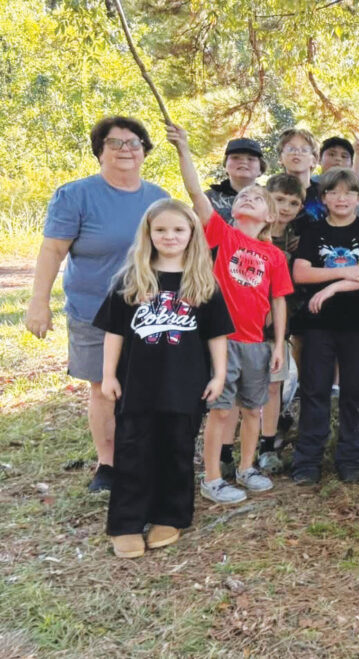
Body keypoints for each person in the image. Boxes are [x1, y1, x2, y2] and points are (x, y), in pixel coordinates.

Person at [25, 116, 170, 492]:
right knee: (105, 388)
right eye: (116, 143)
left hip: (148, 313)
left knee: (145, 384)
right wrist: (39, 302)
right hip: (93, 311)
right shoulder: (75, 195)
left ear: (145, 151)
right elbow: (53, 250)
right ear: (99, 151)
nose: (126, 149)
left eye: (135, 142)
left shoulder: (159, 198)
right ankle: (108, 465)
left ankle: (144, 455)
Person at [94, 199, 233, 558]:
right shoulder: (131, 279)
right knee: (133, 449)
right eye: (161, 230)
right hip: (137, 384)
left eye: (178, 229)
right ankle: (126, 522)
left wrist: (219, 374)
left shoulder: (202, 282)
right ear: (148, 234)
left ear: (192, 235)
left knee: (176, 450)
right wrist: (108, 374)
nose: (169, 236)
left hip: (185, 385)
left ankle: (169, 516)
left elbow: (217, 335)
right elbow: (114, 333)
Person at [169, 123, 294, 504]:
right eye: (244, 198)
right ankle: (211, 478)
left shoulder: (274, 255)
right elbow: (194, 192)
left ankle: (247, 467)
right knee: (221, 413)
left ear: (270, 218)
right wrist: (184, 150)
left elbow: (279, 301)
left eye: (257, 200)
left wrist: (277, 344)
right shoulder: (222, 234)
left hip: (257, 344)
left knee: (253, 410)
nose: (246, 200)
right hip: (222, 342)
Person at [290, 168, 359, 484]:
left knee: (353, 390)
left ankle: (352, 457)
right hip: (319, 324)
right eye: (334, 192)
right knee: (315, 389)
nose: (341, 198)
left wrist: (330, 287)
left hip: (357, 324)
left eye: (348, 193)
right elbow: (301, 274)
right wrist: (345, 274)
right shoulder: (314, 232)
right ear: (324, 198)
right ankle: (307, 461)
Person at [257, 174, 306, 471]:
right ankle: (228, 451)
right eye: (279, 200)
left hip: (279, 322)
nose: (285, 207)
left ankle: (269, 443)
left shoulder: (299, 238)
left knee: (275, 386)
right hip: (244, 322)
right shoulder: (248, 232)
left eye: (293, 202)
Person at [206, 137, 266, 223]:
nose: (243, 162)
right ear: (225, 166)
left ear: (261, 169)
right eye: (235, 157)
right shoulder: (208, 198)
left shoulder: (270, 198)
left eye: (251, 159)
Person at [316, 136, 359, 219]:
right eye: (332, 154)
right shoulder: (308, 186)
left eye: (344, 156)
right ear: (319, 159)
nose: (338, 159)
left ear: (351, 163)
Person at [277, 128, 325, 224]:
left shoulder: (324, 194)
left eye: (304, 150)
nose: (297, 153)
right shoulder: (270, 192)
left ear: (314, 160)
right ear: (281, 158)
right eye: (291, 149)